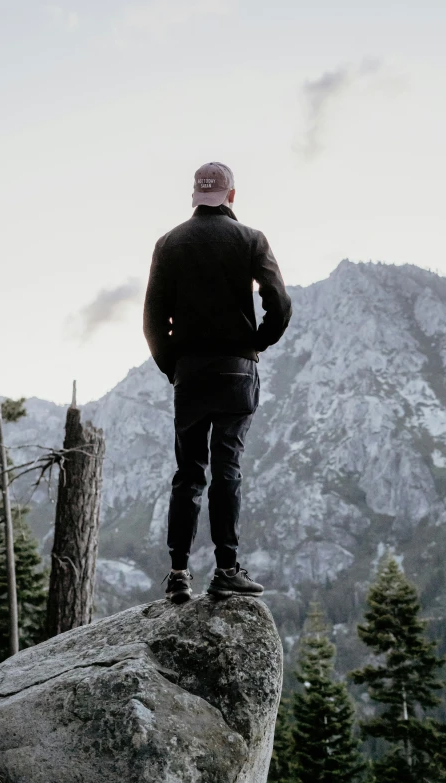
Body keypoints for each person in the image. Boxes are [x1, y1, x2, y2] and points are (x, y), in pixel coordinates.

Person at [143, 161, 292, 603]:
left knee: (188, 472)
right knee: (227, 466)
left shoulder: (168, 243)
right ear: (230, 195)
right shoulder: (250, 239)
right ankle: (227, 568)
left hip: (190, 372)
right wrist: (256, 343)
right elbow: (279, 304)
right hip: (236, 371)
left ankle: (177, 574)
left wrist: (174, 366)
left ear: (195, 196)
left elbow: (152, 320)